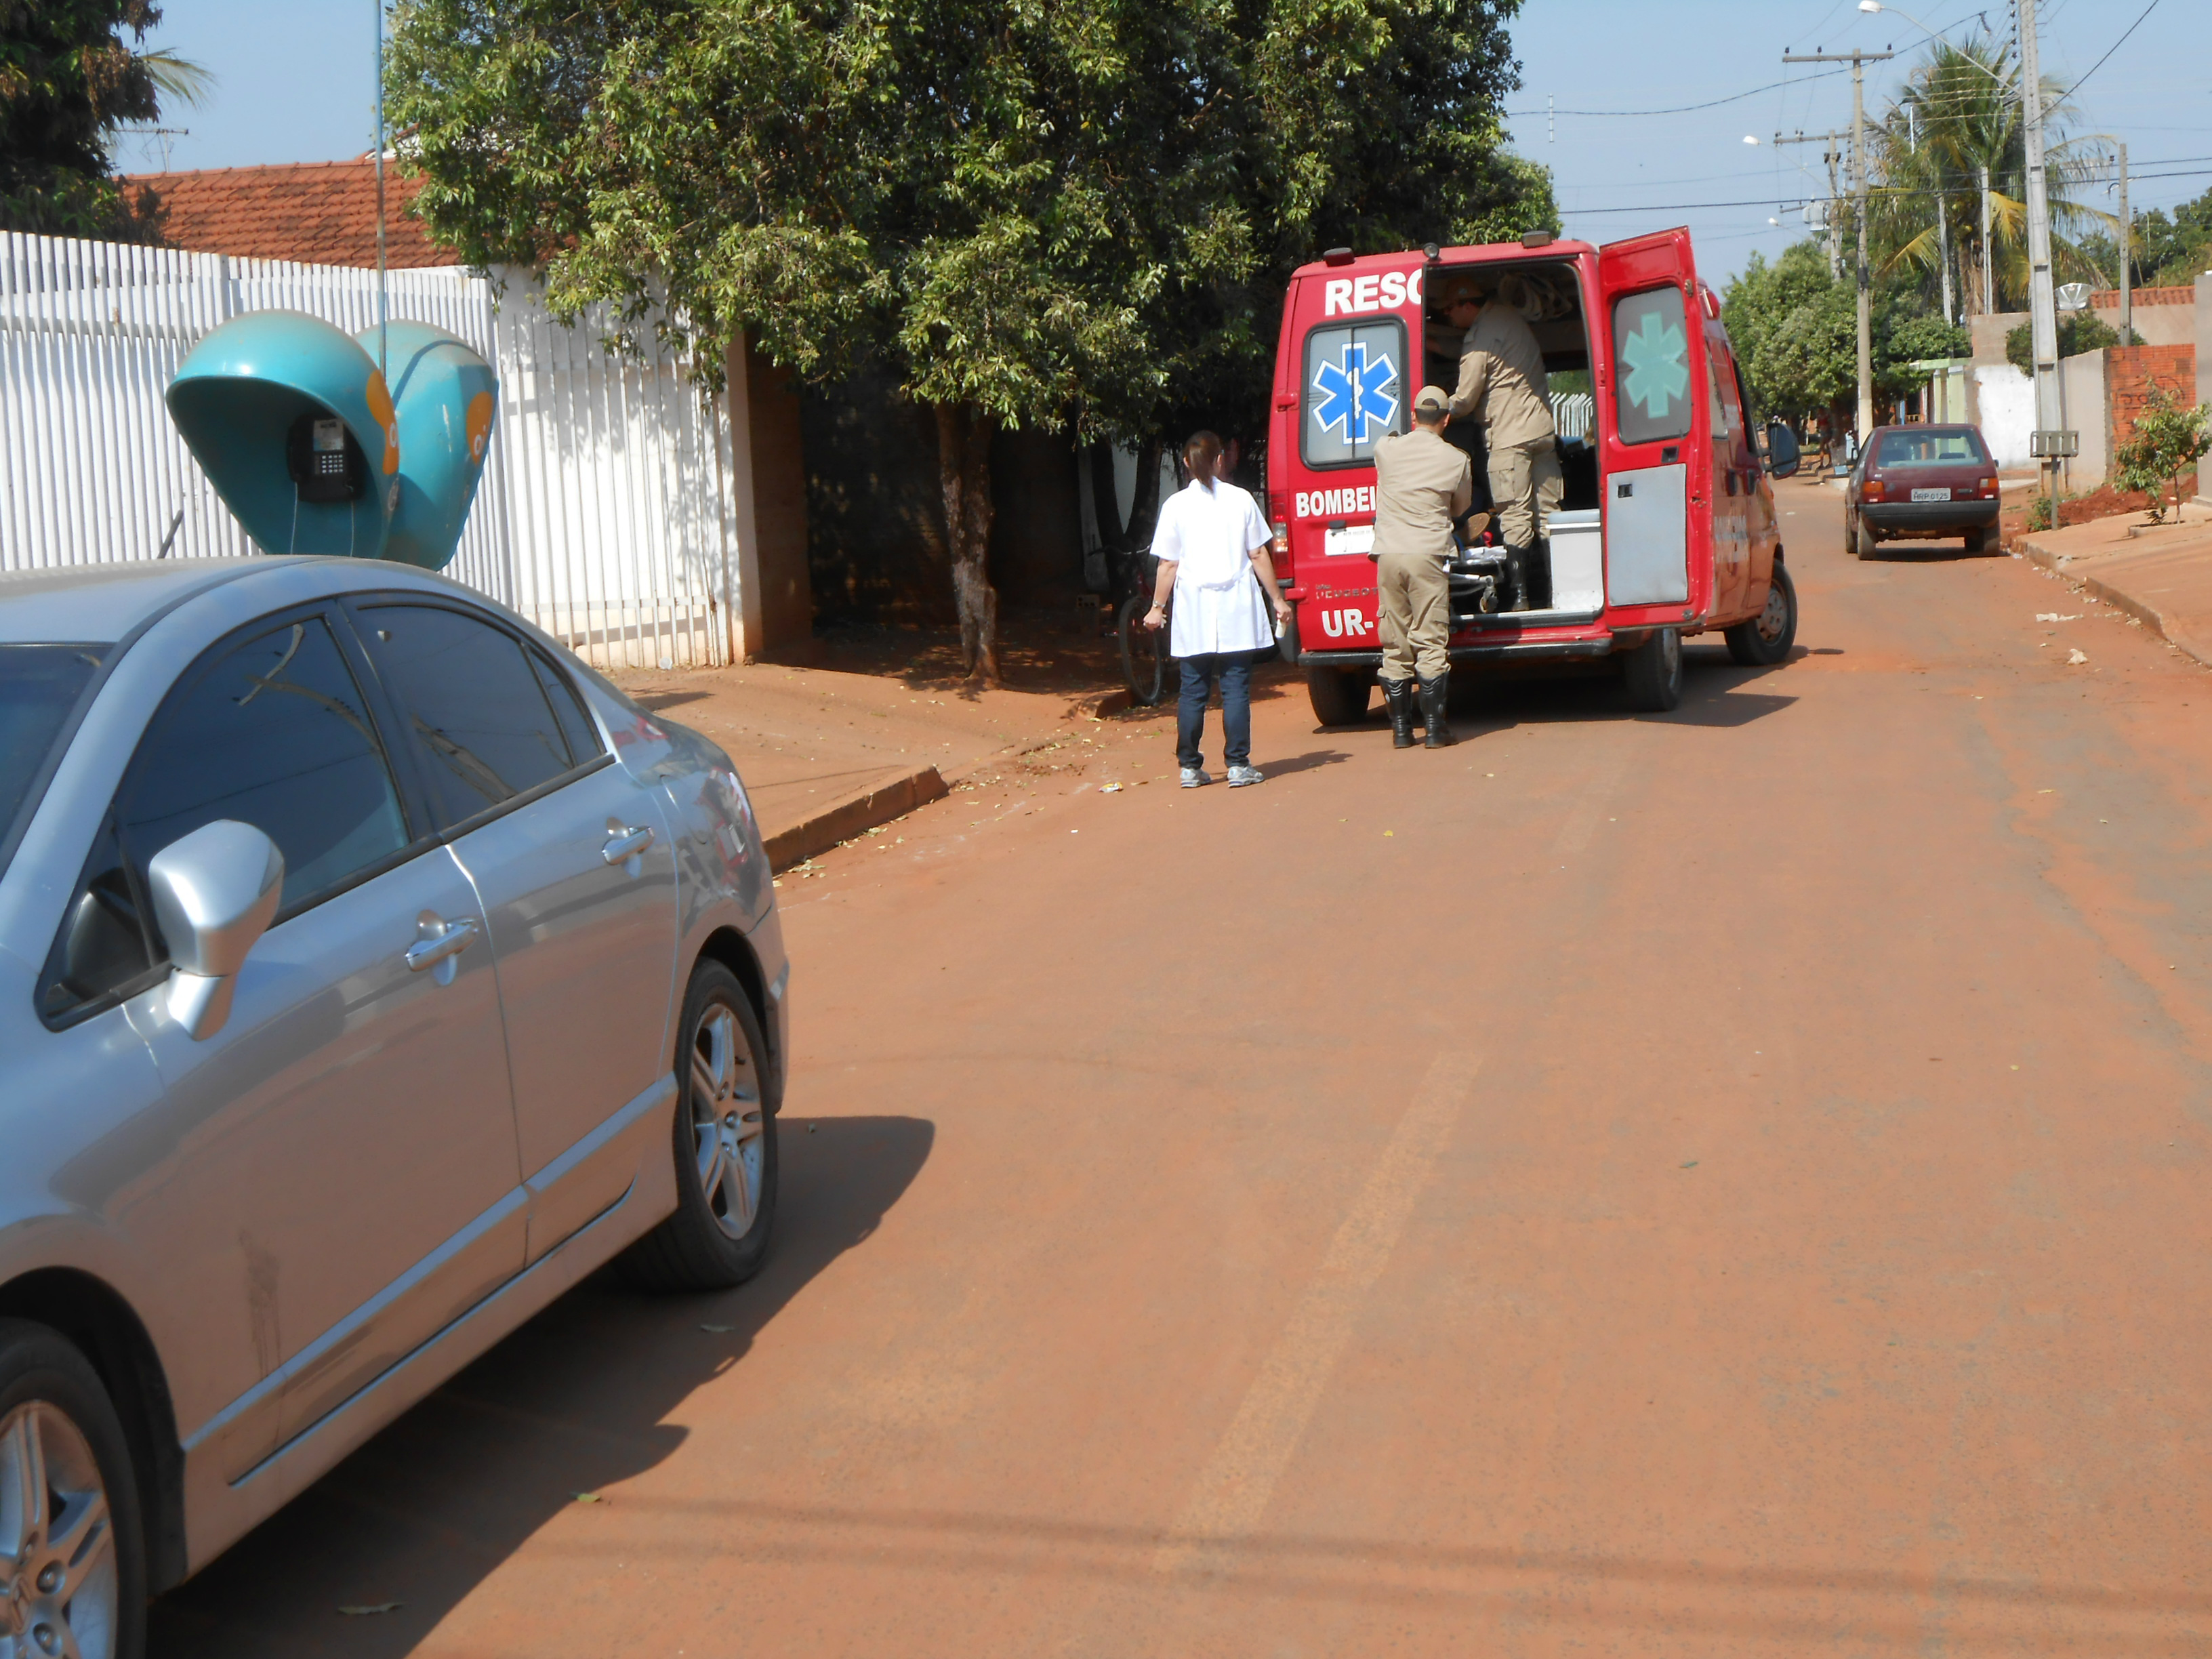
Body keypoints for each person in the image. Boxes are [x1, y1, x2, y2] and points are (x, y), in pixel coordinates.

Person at [1143, 430, 1292, 787]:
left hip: (1194, 608)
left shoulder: (1175, 506)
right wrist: (1278, 600)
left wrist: (1157, 607)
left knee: (1193, 689)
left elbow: (1168, 564)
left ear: (1186, 464)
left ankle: (1190, 767)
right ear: (1221, 460)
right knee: (1235, 688)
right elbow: (1258, 554)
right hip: (1236, 607)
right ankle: (1239, 765)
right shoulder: (1240, 500)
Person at [1444, 270, 1561, 611]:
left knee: (1514, 515)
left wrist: (1435, 410)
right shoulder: (1509, 319)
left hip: (1510, 435)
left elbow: (1464, 399)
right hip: (1540, 430)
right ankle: (1557, 592)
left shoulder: (1479, 338)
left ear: (1466, 305)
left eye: (1450, 310)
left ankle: (1520, 597)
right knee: (1549, 515)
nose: (1450, 317)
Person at [1370, 386, 1475, 750]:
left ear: (1413, 417)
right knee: (1430, 639)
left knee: (1395, 642)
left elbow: (1385, 451)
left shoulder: (1386, 449)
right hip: (1428, 555)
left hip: (1388, 555)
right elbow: (1460, 508)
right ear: (1446, 420)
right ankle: (1434, 729)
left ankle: (1401, 731)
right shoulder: (1456, 460)